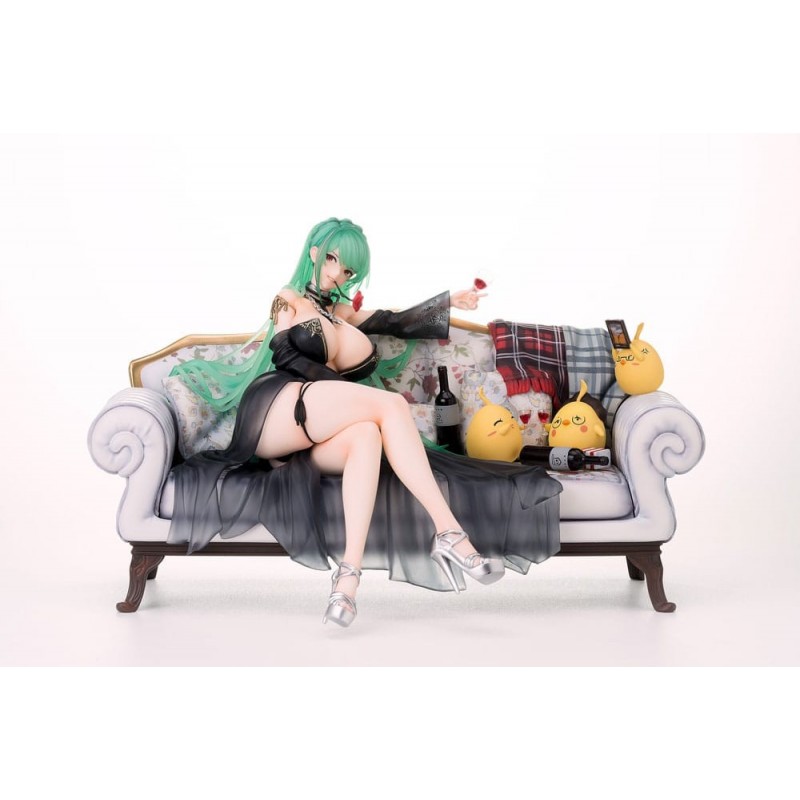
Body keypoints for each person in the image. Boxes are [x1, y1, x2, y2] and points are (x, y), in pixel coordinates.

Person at [169, 218, 561, 627]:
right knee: (390, 406)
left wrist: (450, 301)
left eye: (348, 269)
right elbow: (284, 353)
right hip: (278, 409)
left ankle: (347, 580)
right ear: (314, 252)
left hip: (318, 426)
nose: (337, 273)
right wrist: (346, 391)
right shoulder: (288, 299)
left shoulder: (341, 313)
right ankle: (449, 534)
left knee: (366, 435)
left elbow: (394, 320)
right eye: (332, 259)